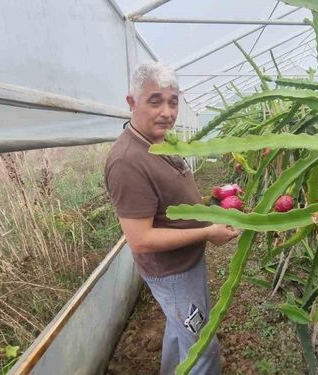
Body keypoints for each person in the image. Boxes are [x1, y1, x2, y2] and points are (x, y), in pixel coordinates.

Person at [105, 61, 239, 375]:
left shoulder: (157, 141)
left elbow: (170, 200)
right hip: (172, 273)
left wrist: (209, 207)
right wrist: (207, 232)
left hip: (184, 265)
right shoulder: (127, 161)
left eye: (173, 101)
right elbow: (141, 239)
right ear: (132, 103)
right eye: (155, 101)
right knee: (202, 348)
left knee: (181, 332)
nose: (167, 112)